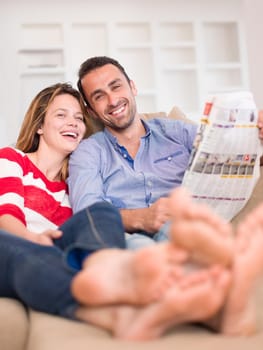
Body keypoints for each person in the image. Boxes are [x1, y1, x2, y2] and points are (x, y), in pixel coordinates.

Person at [1, 82, 226, 332]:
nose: (73, 123)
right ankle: (114, 310)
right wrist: (32, 237)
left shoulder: (73, 185)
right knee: (25, 255)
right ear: (40, 125)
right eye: (61, 115)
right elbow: (6, 215)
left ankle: (112, 273)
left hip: (59, 254)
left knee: (102, 211)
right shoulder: (12, 159)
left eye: (78, 118)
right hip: (19, 244)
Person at [69, 55, 263, 250]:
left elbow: (228, 155)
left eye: (116, 86)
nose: (112, 100)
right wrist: (140, 218)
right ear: (92, 111)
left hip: (182, 230)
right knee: (142, 247)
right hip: (127, 239)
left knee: (178, 231)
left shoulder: (177, 132)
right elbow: (87, 213)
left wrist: (255, 135)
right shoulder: (88, 152)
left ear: (132, 87)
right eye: (99, 96)